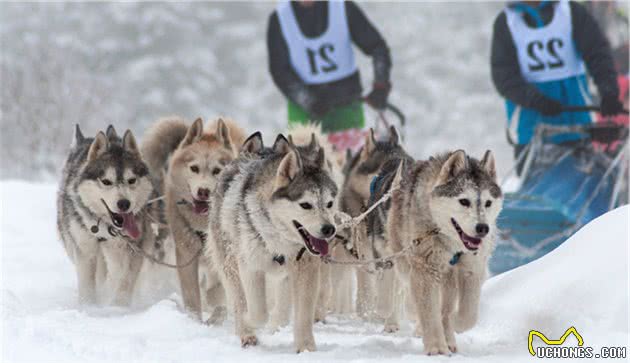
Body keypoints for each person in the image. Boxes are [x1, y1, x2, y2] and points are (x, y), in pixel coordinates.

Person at [490, 0, 624, 173]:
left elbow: (598, 55)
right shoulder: (506, 23)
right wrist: (536, 101)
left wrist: (609, 92)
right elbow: (504, 77)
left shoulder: (572, 12)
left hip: (579, 131)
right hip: (531, 136)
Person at [267, 0, 392, 151]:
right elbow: (279, 70)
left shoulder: (344, 8)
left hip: (346, 106)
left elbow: (378, 48)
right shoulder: (279, 18)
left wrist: (381, 84)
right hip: (303, 110)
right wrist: (308, 101)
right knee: (305, 168)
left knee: (352, 167)